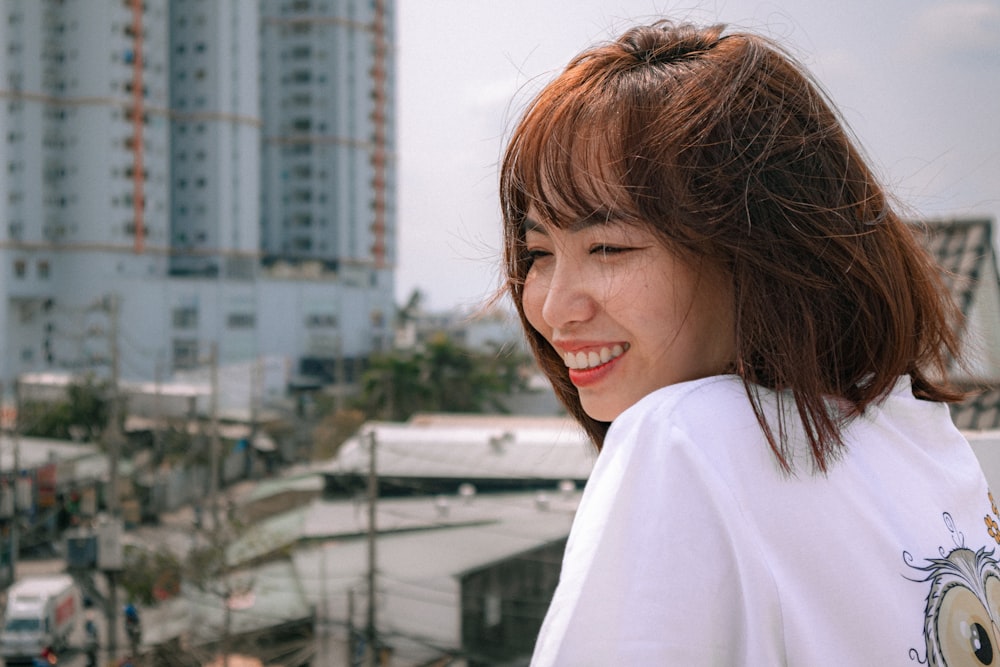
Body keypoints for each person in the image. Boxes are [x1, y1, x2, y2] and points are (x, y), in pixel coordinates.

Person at [499, 20, 994, 666]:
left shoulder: (681, 438)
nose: (555, 306)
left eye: (608, 248)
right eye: (538, 252)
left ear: (756, 250)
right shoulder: (925, 442)